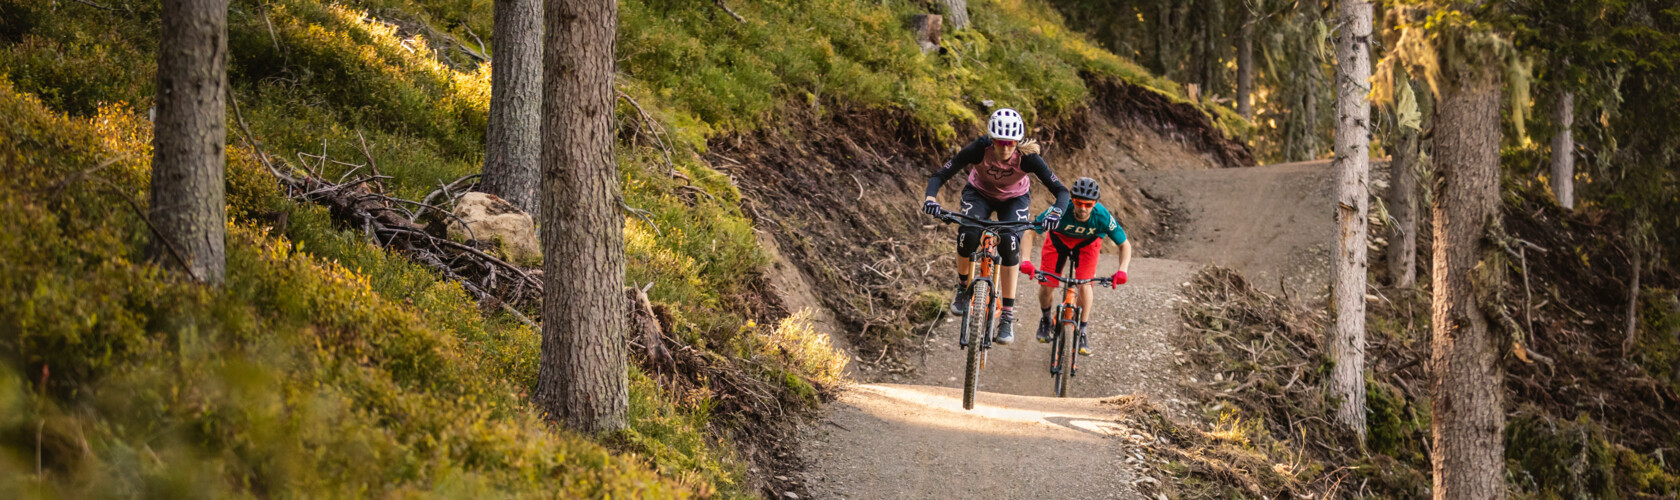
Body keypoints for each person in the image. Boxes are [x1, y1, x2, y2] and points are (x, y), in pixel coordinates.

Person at [923, 108, 1071, 345]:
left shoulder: (1028, 157)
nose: (1005, 149)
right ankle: (962, 288)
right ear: (991, 140)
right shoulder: (978, 149)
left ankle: (1007, 317)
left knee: (1010, 244)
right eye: (1000, 143)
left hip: (1015, 199)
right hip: (979, 193)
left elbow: (1062, 192)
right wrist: (931, 199)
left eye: (1010, 143)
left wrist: (1056, 212)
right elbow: (940, 175)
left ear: (1017, 141)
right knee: (968, 234)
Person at [1018, 177, 1132, 355]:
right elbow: (1030, 231)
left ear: (1095, 203)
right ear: (1072, 199)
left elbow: (1124, 245)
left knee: (1085, 285)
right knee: (1047, 284)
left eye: (1088, 204)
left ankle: (1083, 330)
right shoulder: (1060, 209)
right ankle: (1046, 319)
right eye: (1079, 203)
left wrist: (1122, 270)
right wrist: (1025, 260)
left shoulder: (1102, 216)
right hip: (1058, 241)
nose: (1083, 208)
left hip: (1087, 245)